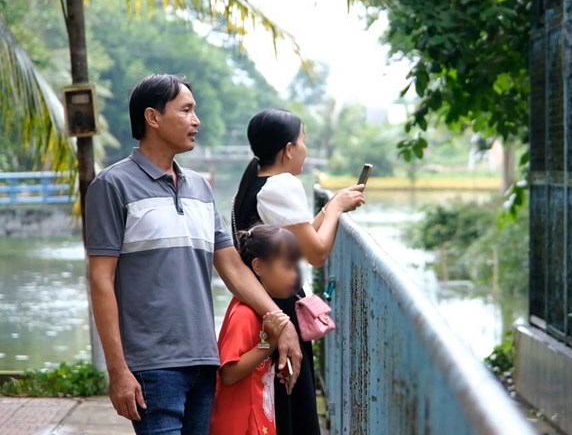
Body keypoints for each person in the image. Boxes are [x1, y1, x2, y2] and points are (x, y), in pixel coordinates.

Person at [85, 74, 302, 434]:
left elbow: (232, 266)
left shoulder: (200, 187)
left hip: (204, 361)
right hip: (152, 367)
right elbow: (101, 280)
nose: (196, 121)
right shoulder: (112, 186)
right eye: (186, 110)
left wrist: (279, 320)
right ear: (153, 118)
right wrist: (118, 370)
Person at [232, 108, 365, 435]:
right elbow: (317, 253)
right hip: (281, 308)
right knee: (293, 405)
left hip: (264, 303)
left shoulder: (255, 181)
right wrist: (334, 208)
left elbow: (298, 243)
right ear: (289, 149)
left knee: (280, 403)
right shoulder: (281, 185)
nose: (305, 148)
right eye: (303, 140)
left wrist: (329, 208)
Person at [210, 225, 303, 435]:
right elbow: (228, 373)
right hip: (239, 425)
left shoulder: (261, 312)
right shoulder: (244, 315)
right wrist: (268, 344)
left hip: (257, 420)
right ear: (258, 266)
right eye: (287, 267)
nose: (294, 276)